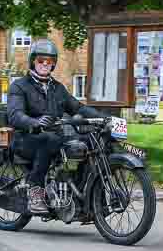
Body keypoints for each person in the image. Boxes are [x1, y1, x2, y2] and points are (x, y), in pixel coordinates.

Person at [7, 39, 107, 213]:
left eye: (50, 61)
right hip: (26, 138)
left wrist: (104, 118)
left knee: (89, 142)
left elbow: (78, 107)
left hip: (55, 136)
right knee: (49, 139)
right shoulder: (19, 86)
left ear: (54, 64)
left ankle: (88, 195)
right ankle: (35, 191)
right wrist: (34, 122)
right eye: (41, 60)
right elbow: (15, 115)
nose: (45, 64)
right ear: (33, 61)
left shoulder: (57, 88)